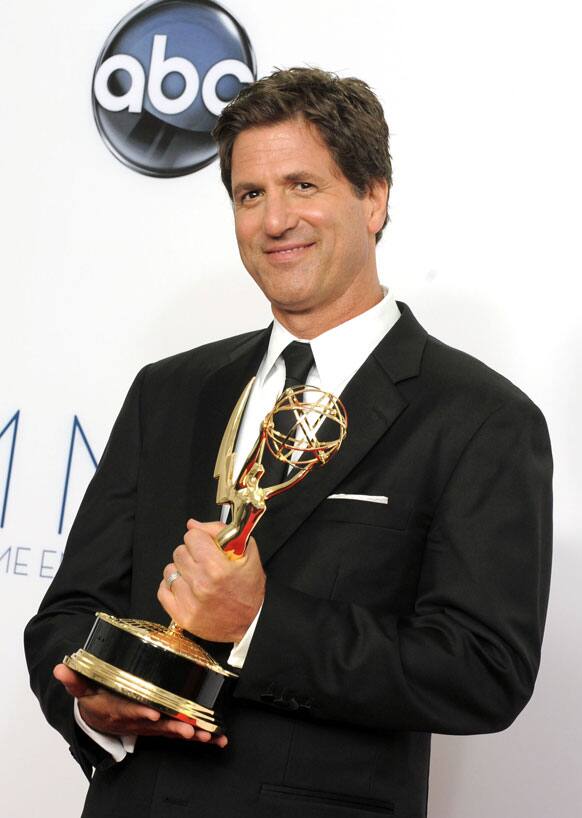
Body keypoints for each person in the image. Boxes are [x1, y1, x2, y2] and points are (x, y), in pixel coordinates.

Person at [24, 68, 552, 818]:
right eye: (250, 195)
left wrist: (259, 623)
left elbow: (481, 670)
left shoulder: (480, 419)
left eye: (303, 185)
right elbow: (68, 611)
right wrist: (94, 707)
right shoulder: (168, 391)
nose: (274, 221)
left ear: (374, 198)